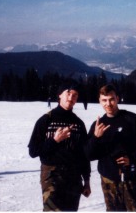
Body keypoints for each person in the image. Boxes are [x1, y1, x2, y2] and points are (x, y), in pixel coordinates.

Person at [85, 84, 136, 211]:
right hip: (108, 181)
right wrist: (96, 138)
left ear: (117, 98)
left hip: (130, 178)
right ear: (99, 101)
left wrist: (132, 159)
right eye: (104, 100)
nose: (108, 104)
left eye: (111, 99)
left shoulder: (131, 120)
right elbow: (89, 155)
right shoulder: (98, 125)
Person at [28, 82, 91, 211]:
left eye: (75, 95)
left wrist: (87, 181)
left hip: (74, 177)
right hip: (52, 175)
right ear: (59, 95)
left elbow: (83, 155)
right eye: (68, 93)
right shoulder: (45, 120)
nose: (71, 97)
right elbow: (33, 151)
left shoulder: (78, 123)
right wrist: (54, 140)